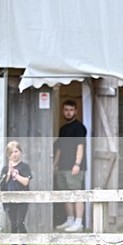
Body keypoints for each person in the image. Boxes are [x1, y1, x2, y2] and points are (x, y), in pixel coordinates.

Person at [53, 99, 87, 232]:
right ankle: (70, 220)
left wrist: (77, 164)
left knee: (77, 194)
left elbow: (80, 146)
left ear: (76, 111)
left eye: (71, 110)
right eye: (66, 110)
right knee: (66, 195)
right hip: (62, 167)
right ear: (62, 111)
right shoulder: (63, 129)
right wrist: (55, 165)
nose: (68, 113)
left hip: (74, 167)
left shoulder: (79, 127)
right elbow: (59, 149)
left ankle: (79, 223)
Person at [0, 141, 33, 245]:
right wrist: (8, 173)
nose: (14, 154)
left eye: (16, 151)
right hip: (9, 200)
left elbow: (26, 181)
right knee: (12, 223)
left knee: (19, 222)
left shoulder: (24, 167)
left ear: (20, 152)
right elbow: (0, 186)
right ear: (8, 155)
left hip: (22, 199)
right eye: (11, 152)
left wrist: (15, 175)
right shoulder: (4, 169)